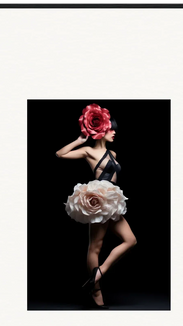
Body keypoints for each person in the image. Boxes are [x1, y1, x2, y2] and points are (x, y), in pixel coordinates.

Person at [56, 104, 137, 309]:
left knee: (130, 240)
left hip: (112, 201)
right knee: (96, 247)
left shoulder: (114, 154)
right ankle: (96, 290)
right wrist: (79, 140)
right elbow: (60, 154)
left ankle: (98, 273)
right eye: (111, 129)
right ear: (100, 130)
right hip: (98, 200)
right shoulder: (89, 151)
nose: (114, 132)